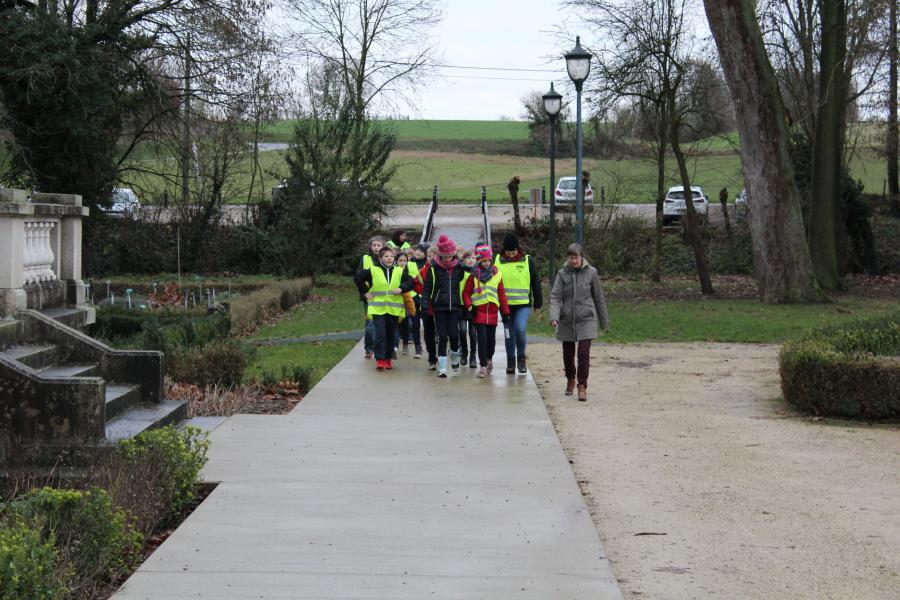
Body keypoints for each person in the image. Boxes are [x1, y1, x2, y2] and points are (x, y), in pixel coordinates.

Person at [549, 243, 609, 401]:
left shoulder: (592, 273)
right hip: (567, 319)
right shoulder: (562, 274)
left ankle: (582, 385)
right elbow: (555, 296)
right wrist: (554, 317)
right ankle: (570, 378)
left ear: (582, 257)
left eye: (576, 257)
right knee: (568, 356)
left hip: (586, 318)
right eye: (571, 257)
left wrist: (604, 322)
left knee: (583, 353)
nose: (574, 260)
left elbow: (598, 298)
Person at [354, 246, 415, 371]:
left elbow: (411, 282)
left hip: (394, 310)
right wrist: (365, 292)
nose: (389, 258)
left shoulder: (399, 271)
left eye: (391, 256)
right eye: (386, 256)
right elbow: (358, 277)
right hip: (378, 309)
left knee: (390, 334)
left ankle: (388, 359)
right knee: (380, 334)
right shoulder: (373, 270)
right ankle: (380, 359)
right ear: (380, 258)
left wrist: (402, 288)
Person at [495, 233, 542, 374]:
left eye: (513, 252)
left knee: (520, 329)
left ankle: (521, 358)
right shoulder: (497, 260)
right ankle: (510, 360)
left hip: (523, 304)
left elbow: (536, 282)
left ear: (518, 249)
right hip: (505, 306)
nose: (510, 255)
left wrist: (538, 303)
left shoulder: (528, 261)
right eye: (508, 253)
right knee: (508, 333)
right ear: (504, 251)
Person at [421, 234, 467, 377]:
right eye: (444, 256)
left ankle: (454, 355)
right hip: (439, 307)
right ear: (440, 255)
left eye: (449, 256)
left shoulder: (459, 267)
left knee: (454, 335)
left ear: (453, 255)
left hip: (454, 306)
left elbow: (471, 274)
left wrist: (462, 262)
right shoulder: (434, 268)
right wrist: (424, 304)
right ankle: (442, 367)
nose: (447, 259)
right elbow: (427, 288)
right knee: (442, 336)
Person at [463, 244, 510, 378]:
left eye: (488, 260)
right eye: (483, 261)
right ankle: (482, 366)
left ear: (491, 260)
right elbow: (465, 293)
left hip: (493, 314)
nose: (486, 263)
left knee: (491, 342)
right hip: (479, 312)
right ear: (479, 261)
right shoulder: (473, 275)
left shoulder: (497, 275)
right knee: (482, 340)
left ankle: (489, 359)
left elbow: (502, 295)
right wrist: (470, 307)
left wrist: (505, 312)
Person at [359, 236, 385, 359]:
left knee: (379, 322)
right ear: (370, 247)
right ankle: (369, 348)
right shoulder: (365, 259)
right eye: (374, 245)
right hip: (368, 296)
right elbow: (358, 277)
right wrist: (364, 292)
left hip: (383, 296)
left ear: (383, 247)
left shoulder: (386, 258)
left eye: (378, 245)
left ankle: (379, 347)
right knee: (370, 322)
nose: (376, 247)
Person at [395, 252, 421, 356]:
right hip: (399, 300)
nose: (402, 263)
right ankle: (404, 345)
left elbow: (416, 281)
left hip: (413, 298)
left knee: (415, 324)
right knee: (404, 323)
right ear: (396, 262)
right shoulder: (394, 271)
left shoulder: (411, 269)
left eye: (404, 261)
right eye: (400, 261)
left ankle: (418, 347)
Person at [457, 250, 478, 367]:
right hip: (461, 305)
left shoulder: (478, 272)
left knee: (473, 333)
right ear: (463, 260)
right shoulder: (459, 271)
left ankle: (473, 356)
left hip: (474, 306)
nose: (471, 260)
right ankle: (464, 353)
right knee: (462, 330)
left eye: (473, 258)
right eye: (468, 258)